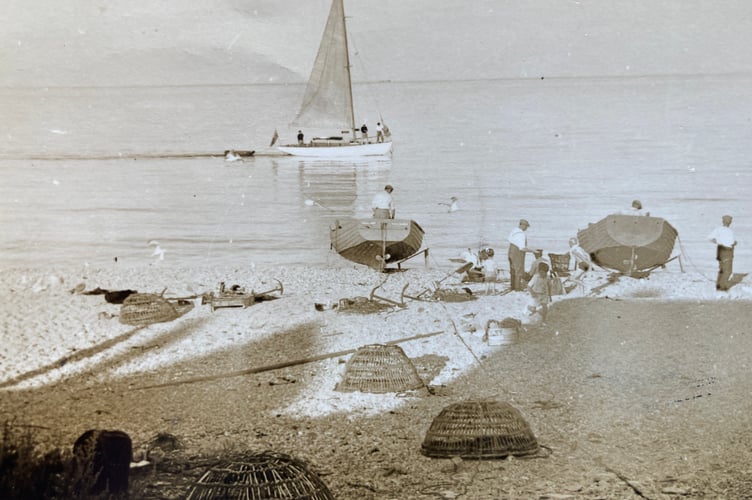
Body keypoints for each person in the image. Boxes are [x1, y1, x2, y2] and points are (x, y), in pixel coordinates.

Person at [708, 215, 737, 291]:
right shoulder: (727, 231)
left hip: (721, 250)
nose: (730, 222)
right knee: (727, 270)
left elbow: (710, 238)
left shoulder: (719, 229)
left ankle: (719, 285)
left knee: (722, 269)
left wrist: (719, 242)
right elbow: (731, 242)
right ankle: (722, 288)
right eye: (729, 221)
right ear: (728, 222)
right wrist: (732, 243)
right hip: (726, 251)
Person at [507, 219, 532, 291]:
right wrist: (533, 251)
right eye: (526, 226)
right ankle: (517, 288)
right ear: (522, 225)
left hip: (510, 252)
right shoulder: (521, 234)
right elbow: (522, 248)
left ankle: (513, 286)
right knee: (519, 271)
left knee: (512, 271)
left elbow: (509, 239)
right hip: (517, 254)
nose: (526, 228)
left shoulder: (514, 230)